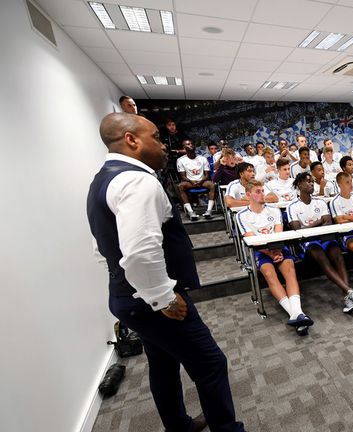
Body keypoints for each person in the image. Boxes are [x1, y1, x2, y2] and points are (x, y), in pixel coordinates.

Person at [87, 112, 245, 432]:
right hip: (153, 302)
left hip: (127, 297)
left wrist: (132, 288)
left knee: (163, 362)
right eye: (156, 137)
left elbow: (102, 247)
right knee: (210, 364)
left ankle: (178, 425)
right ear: (131, 140)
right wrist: (164, 299)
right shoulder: (136, 180)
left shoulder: (103, 178)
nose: (163, 146)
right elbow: (141, 250)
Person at [236, 181, 313, 336]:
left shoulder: (274, 210)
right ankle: (297, 314)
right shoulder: (241, 215)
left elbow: (278, 234)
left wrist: (276, 251)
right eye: (257, 191)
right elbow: (251, 239)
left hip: (278, 247)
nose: (262, 194)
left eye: (262, 191)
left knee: (290, 270)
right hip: (259, 251)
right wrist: (270, 254)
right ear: (248, 195)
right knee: (270, 274)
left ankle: (296, 313)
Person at [287, 172, 353, 313]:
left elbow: (328, 222)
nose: (311, 184)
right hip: (307, 242)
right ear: (299, 185)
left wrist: (312, 226)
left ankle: (348, 296)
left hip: (325, 237)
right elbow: (298, 230)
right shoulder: (292, 206)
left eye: (312, 182)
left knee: (337, 255)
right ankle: (348, 290)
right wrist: (318, 222)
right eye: (308, 182)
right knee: (321, 257)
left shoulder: (320, 202)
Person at [177, 140, 215, 220]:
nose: (191, 145)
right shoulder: (181, 160)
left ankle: (209, 211)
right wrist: (191, 181)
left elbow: (207, 175)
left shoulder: (203, 158)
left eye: (191, 143)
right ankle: (191, 212)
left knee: (212, 185)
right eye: (188, 144)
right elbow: (182, 176)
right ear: (184, 148)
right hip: (190, 182)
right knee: (180, 186)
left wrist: (200, 181)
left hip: (202, 181)